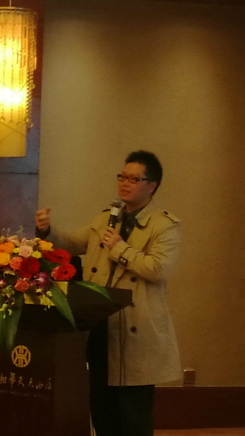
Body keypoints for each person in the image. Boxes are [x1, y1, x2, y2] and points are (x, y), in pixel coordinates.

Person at [34, 150, 181, 436]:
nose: (124, 183)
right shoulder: (106, 219)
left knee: (133, 415)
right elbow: (71, 244)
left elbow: (158, 269)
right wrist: (47, 231)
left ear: (152, 186)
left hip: (135, 331)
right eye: (122, 177)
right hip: (101, 325)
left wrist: (119, 248)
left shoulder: (164, 226)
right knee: (102, 409)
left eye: (134, 179)